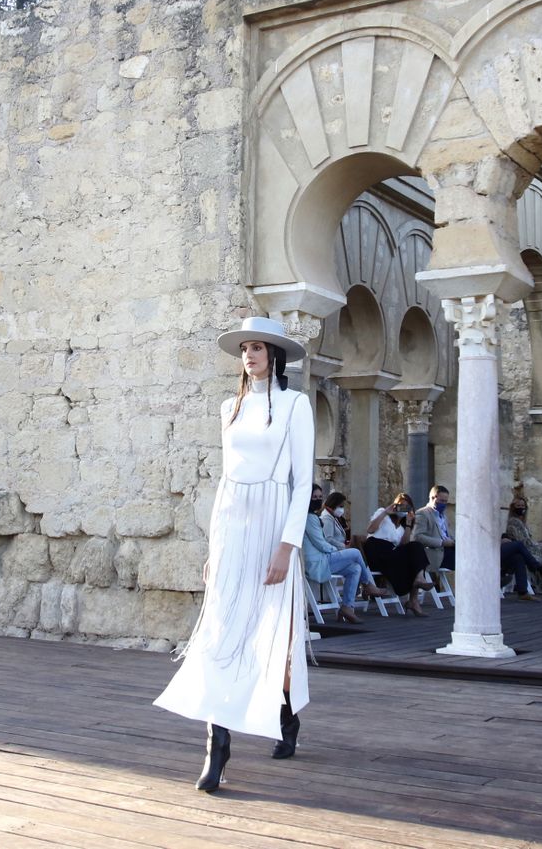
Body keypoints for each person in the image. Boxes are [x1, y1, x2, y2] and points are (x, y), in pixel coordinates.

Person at [154, 316, 314, 793]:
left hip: (273, 521)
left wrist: (288, 546)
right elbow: (224, 483)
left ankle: (286, 714)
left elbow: (302, 482)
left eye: (258, 348)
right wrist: (213, 546)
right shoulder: (228, 407)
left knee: (275, 633)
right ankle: (216, 745)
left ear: (274, 355)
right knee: (222, 632)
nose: (249, 355)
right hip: (235, 524)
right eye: (245, 348)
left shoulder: (295, 405)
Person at [302, 494, 388, 624]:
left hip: (323, 558)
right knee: (355, 552)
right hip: (317, 561)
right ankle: (368, 585)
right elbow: (322, 542)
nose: (318, 499)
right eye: (314, 497)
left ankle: (347, 607)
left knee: (355, 568)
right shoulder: (312, 518)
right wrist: (339, 550)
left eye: (320, 496)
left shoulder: (318, 517)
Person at [363, 492, 435, 616]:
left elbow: (404, 545)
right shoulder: (383, 513)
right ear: (395, 505)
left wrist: (408, 524)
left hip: (392, 552)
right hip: (375, 549)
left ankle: (417, 584)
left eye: (406, 507)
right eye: (400, 506)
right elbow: (370, 529)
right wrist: (386, 512)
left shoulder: (402, 527)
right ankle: (414, 599)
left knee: (416, 547)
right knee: (412, 559)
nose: (403, 509)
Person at [504, 498, 542, 594]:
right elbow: (523, 542)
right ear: (513, 508)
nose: (521, 508)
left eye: (523, 506)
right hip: (526, 549)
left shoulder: (521, 522)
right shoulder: (514, 522)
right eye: (518, 506)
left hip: (528, 547)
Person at [412, 485, 454, 572]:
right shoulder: (422, 514)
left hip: (449, 550)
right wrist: (441, 543)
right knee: (467, 561)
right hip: (437, 553)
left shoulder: (443, 516)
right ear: (432, 498)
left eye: (446, 501)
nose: (444, 504)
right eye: (441, 501)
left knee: (471, 556)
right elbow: (417, 537)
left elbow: (449, 535)